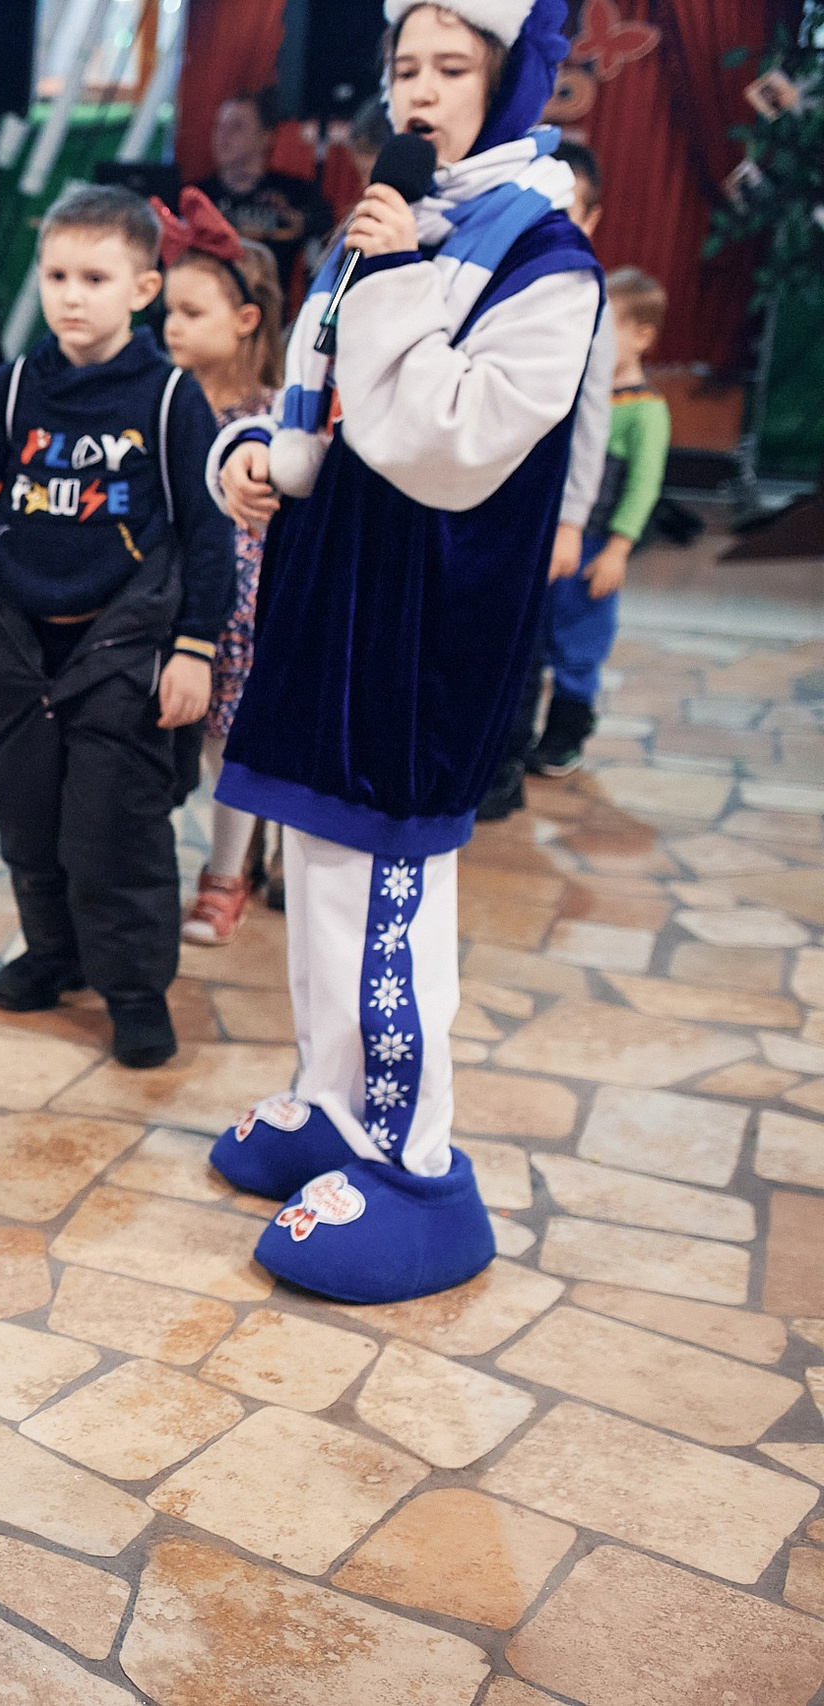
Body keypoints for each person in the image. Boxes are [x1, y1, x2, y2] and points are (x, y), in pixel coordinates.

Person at [208, 0, 599, 1303]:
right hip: (334, 594)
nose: (420, 94)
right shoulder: (386, 227)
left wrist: (388, 278)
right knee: (314, 864)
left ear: (513, 79)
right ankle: (334, 1102)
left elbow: (443, 442)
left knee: (384, 887)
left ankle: (416, 1162)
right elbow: (318, 404)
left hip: (430, 629)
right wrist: (257, 458)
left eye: (452, 68)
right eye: (406, 69)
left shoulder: (547, 259)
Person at [0, 183, 230, 1071]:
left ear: (142, 289)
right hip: (18, 648)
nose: (72, 295)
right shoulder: (9, 391)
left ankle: (133, 992)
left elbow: (209, 534)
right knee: (27, 813)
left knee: (113, 830)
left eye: (95, 276)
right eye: (57, 274)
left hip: (121, 653)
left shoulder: (169, 402)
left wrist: (194, 647)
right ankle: (55, 955)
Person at [152, 188, 285, 948]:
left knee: (229, 745)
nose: (171, 325)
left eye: (192, 313)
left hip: (240, 608)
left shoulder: (267, 417)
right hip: (164, 600)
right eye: (169, 309)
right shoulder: (161, 403)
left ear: (244, 321)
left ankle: (226, 876)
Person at [481, 135, 611, 819]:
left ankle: (503, 772)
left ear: (590, 219)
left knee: (524, 645)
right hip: (486, 501)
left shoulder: (588, 294)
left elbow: (592, 419)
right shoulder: (509, 277)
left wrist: (572, 519)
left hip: (545, 505)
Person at [530, 267, 667, 777]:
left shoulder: (646, 411)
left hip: (594, 549)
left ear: (641, 336)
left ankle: (566, 729)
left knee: (578, 640)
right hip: (555, 537)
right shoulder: (579, 394)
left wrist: (618, 549)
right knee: (537, 635)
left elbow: (643, 485)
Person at [192, 91, 333, 299]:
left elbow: (328, 231)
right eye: (219, 126)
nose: (223, 136)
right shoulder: (196, 196)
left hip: (271, 313)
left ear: (266, 136)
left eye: (236, 127)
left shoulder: (295, 193)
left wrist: (297, 220)